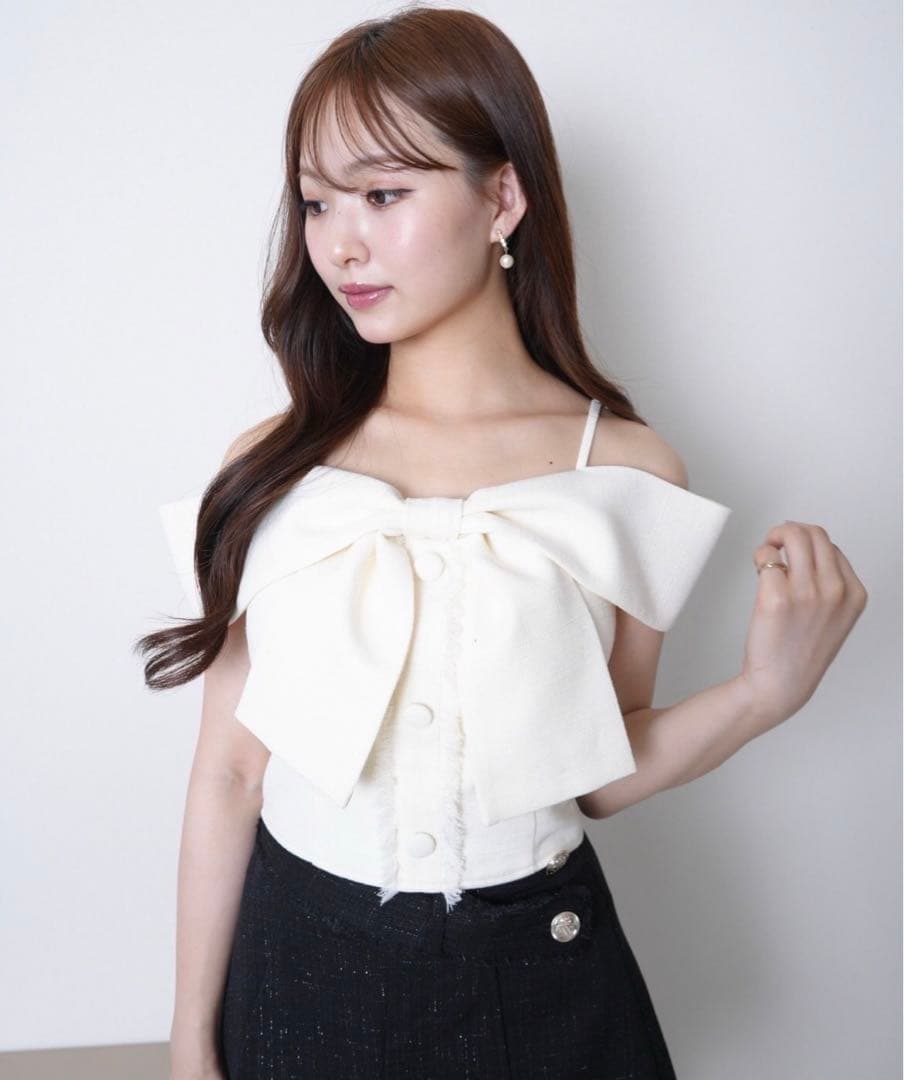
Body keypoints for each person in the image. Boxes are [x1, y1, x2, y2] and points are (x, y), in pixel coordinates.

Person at [137, 6, 868, 1079]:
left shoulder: (627, 471)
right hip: (299, 976)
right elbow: (230, 773)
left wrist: (766, 694)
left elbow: (598, 771)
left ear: (503, 198)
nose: (341, 242)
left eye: (384, 194)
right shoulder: (275, 466)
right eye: (317, 201)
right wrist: (189, 1040)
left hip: (546, 983)